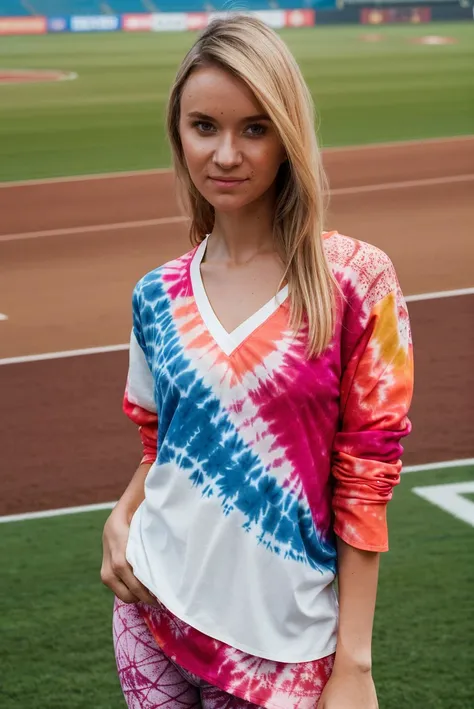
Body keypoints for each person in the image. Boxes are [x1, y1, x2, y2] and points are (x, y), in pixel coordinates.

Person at [101, 14, 414, 709]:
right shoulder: (156, 294)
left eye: (254, 128)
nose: (225, 154)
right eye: (204, 126)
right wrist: (120, 516)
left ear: (287, 135)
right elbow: (164, 443)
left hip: (282, 651)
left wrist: (354, 663)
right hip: (151, 613)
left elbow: (368, 470)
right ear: (178, 133)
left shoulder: (356, 281)